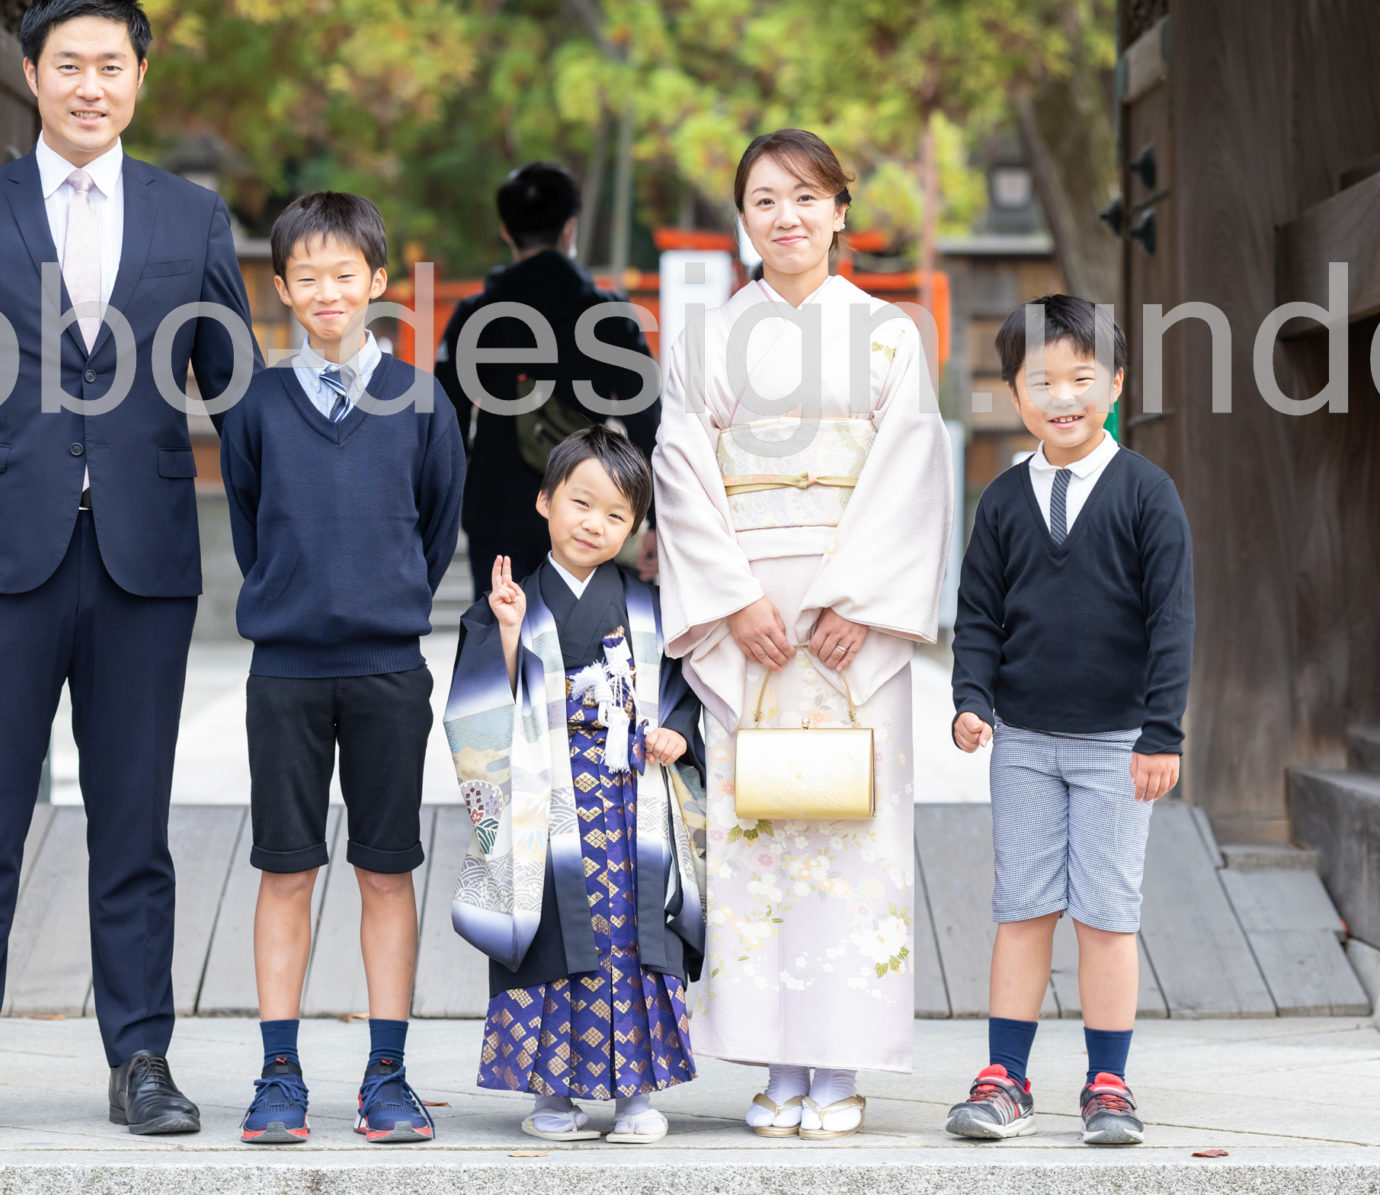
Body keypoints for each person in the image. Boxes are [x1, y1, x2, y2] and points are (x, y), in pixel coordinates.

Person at [0, 0, 250, 1144]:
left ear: (139, 77)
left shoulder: (191, 219)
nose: (89, 86)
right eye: (68, 66)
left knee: (133, 829)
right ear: (32, 77)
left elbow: (235, 397)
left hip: (144, 564)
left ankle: (141, 1059)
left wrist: (292, 547)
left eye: (111, 66)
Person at [651, 128, 953, 1139]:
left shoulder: (887, 334)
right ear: (743, 219)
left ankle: (840, 1067)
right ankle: (778, 1067)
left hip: (847, 619)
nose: (786, 217)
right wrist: (733, 602)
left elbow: (912, 468)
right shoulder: (705, 337)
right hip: (751, 616)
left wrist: (856, 600)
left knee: (852, 837)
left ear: (839, 211)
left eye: (806, 197)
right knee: (760, 839)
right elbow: (680, 468)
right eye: (765, 200)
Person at [217, 192, 466, 1146]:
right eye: (307, 276)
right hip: (284, 671)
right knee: (286, 870)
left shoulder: (422, 400)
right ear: (281, 289)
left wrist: (379, 597)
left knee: (385, 870)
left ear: (378, 281)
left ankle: (387, 1073)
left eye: (345, 274)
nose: (327, 291)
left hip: (386, 669)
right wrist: (300, 596)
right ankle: (279, 1073)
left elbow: (434, 530)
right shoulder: (257, 406)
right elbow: (251, 528)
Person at [944, 295, 1192, 1149]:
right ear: (1015, 393)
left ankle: (1108, 1082)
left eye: (1081, 378)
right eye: (1042, 381)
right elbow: (978, 612)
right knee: (1022, 908)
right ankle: (1004, 1077)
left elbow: (1172, 620)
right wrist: (970, 698)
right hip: (1022, 739)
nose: (1063, 397)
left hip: (1119, 743)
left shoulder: (1147, 493)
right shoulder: (1004, 499)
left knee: (1106, 913)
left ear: (1115, 383)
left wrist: (1163, 731)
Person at [443, 426, 707, 1144]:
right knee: (551, 933)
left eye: (616, 514)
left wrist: (676, 733)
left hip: (630, 796)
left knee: (634, 933)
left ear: (636, 526)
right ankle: (552, 1095)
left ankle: (637, 1096)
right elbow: (480, 710)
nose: (595, 523)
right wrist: (506, 631)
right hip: (545, 797)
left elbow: (683, 692)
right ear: (544, 501)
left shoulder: (649, 606)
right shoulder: (514, 601)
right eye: (581, 503)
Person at [437, 162, 659, 599]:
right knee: (584, 637)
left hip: (497, 508)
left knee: (500, 633)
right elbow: (646, 421)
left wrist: (446, 510)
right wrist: (653, 519)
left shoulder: (476, 314)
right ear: (569, 228)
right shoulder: (609, 314)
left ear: (506, 230)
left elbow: (446, 423)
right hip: (589, 513)